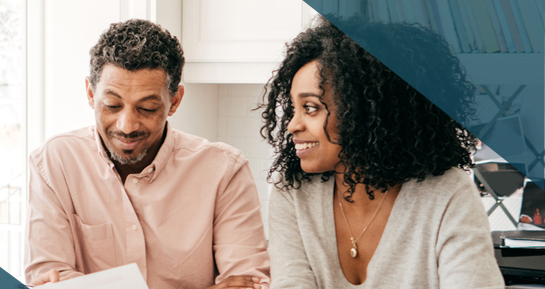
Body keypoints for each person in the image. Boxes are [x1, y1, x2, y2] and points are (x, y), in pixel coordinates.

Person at [25, 19, 270, 289]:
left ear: (174, 101)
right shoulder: (54, 162)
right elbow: (48, 279)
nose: (126, 126)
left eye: (148, 108)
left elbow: (248, 283)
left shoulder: (225, 170)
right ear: (91, 94)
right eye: (112, 105)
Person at [260, 17, 503, 288]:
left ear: (364, 111)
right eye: (294, 109)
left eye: (311, 107)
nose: (293, 125)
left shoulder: (446, 193)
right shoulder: (293, 192)